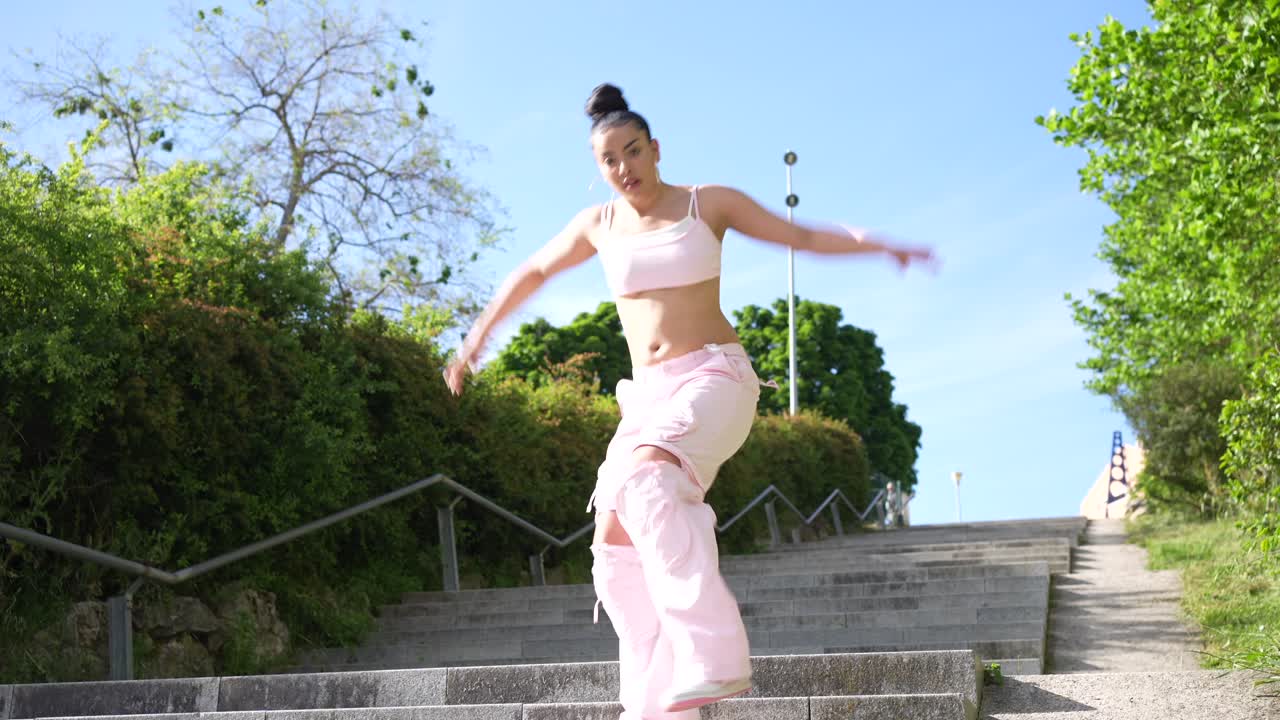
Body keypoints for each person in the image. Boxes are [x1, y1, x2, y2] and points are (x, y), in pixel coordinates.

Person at [444, 83, 935, 719]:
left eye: (633, 151)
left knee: (649, 479)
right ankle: (659, 709)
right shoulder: (599, 225)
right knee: (615, 551)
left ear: (655, 149)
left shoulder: (708, 203)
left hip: (714, 377)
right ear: (598, 168)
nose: (625, 168)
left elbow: (802, 236)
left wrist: (881, 244)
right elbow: (533, 272)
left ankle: (715, 655)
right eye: (610, 160)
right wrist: (473, 343)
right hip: (647, 400)